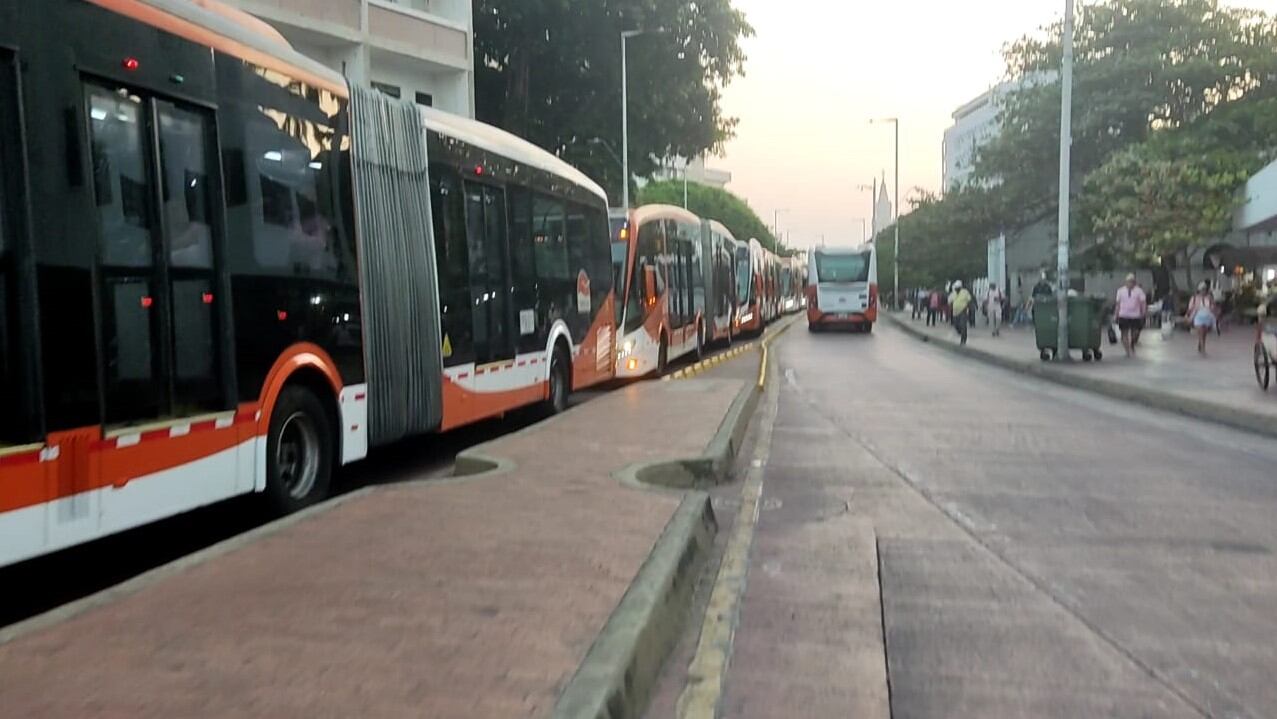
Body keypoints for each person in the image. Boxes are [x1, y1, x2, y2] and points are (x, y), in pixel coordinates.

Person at [1114, 273, 1147, 358]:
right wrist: (1116, 314)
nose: (1130, 283)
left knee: (1135, 332)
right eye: (1129, 282)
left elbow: (1143, 303)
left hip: (1135, 315)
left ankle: (1132, 343)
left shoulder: (1139, 291)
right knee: (1124, 333)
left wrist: (1143, 312)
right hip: (1123, 314)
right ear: (1126, 282)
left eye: (1132, 282)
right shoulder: (1120, 291)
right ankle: (1127, 351)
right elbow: (1118, 304)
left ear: (1134, 283)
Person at [1185, 282, 1217, 356]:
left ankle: (1201, 344)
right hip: (1197, 316)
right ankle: (1203, 349)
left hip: (1207, 316)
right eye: (1202, 289)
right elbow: (1190, 308)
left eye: (1205, 289)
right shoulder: (1194, 298)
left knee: (1204, 333)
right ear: (1199, 290)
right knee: (1201, 331)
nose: (1203, 291)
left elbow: (1213, 307)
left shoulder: (1209, 298)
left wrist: (1212, 304)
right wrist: (1188, 315)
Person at [950, 280, 974, 346]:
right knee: (956, 325)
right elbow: (950, 301)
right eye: (955, 288)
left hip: (963, 311)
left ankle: (963, 340)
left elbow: (969, 300)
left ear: (960, 287)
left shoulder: (965, 292)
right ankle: (960, 332)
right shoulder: (953, 293)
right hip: (955, 312)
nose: (956, 289)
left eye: (957, 288)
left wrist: (970, 309)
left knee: (963, 325)